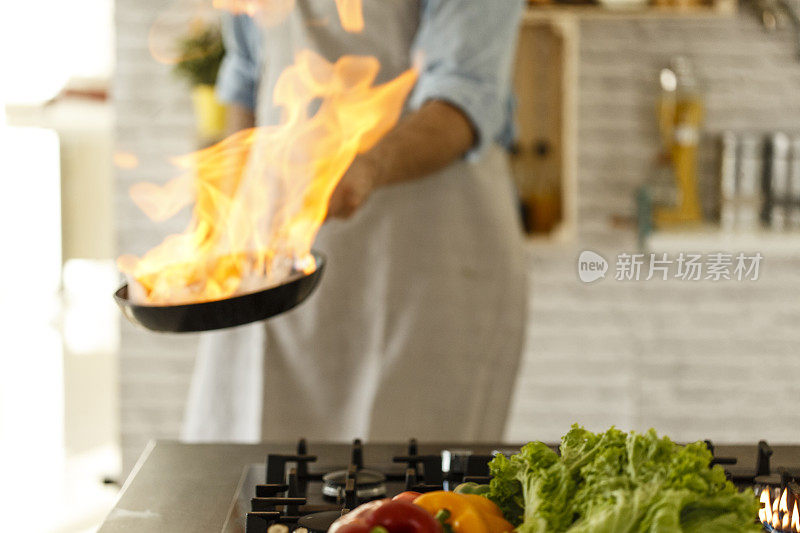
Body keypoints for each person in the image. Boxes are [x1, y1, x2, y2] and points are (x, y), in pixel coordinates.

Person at [182, 0, 527, 443]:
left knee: (412, 487)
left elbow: (465, 96)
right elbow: (246, 77)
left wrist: (367, 167)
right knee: (247, 468)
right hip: (270, 254)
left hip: (430, 251)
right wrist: (223, 216)